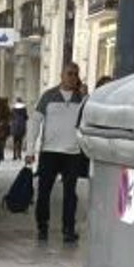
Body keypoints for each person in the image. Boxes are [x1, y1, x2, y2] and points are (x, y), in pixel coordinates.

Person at [26, 61, 88, 244]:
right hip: (50, 152)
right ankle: (42, 226)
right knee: (44, 191)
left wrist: (85, 97)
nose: (72, 77)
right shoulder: (48, 96)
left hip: (73, 153)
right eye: (69, 73)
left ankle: (68, 229)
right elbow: (35, 122)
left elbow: (90, 118)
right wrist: (30, 149)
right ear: (61, 75)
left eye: (76, 74)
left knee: (71, 193)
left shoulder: (81, 98)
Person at [9, 97, 28, 162]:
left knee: (14, 142)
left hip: (14, 127)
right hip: (21, 128)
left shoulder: (13, 109)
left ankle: (14, 155)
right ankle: (19, 155)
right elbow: (26, 117)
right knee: (20, 142)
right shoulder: (24, 109)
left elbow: (10, 117)